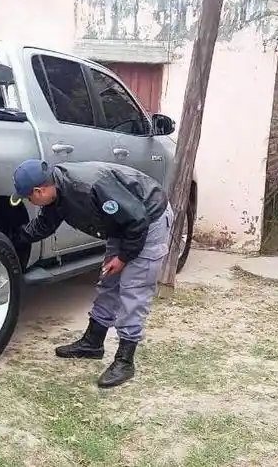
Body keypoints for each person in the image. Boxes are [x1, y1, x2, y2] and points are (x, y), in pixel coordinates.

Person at [10, 159, 173, 388]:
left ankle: (125, 361)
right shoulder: (57, 193)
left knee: (133, 289)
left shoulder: (89, 187)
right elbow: (44, 226)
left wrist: (124, 257)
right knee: (109, 282)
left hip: (148, 218)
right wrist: (11, 238)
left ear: (40, 190)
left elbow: (137, 220)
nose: (31, 202)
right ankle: (92, 343)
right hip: (123, 222)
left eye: (29, 197)